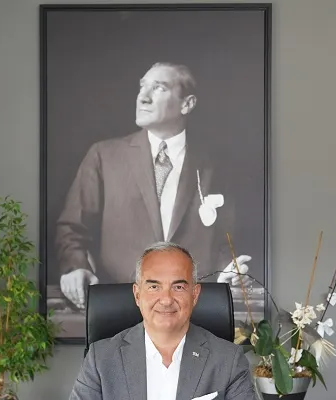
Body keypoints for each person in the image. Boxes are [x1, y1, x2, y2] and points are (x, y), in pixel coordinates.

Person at [52, 242, 269, 400]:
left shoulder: (227, 358)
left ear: (195, 295)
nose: (166, 299)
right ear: (137, 294)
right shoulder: (101, 357)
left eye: (178, 287)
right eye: (154, 286)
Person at [55, 61, 251, 310]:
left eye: (159, 88)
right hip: (119, 306)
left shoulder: (216, 165)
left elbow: (225, 240)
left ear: (187, 104)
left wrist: (228, 272)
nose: (143, 97)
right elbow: (72, 228)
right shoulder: (104, 156)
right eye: (142, 87)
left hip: (192, 309)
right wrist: (76, 268)